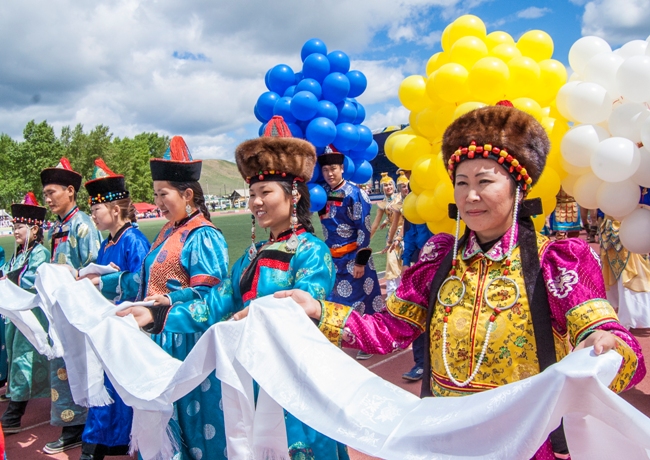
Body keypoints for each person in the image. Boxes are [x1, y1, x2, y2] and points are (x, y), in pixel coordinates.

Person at [279, 104, 646, 459]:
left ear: (518, 187)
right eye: (462, 182)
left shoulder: (556, 260)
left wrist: (606, 342)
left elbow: (612, 340)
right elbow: (388, 330)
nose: (470, 195)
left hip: (524, 445)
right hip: (444, 440)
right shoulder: (439, 259)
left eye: (485, 181)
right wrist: (315, 310)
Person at [227, 116, 348, 459]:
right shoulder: (252, 254)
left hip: (298, 380)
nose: (255, 202)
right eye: (252, 194)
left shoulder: (310, 251)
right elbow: (220, 299)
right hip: (257, 374)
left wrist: (259, 313)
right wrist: (160, 309)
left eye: (265, 192)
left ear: (293, 194)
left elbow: (305, 304)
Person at [105, 136, 230, 460]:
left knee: (195, 429)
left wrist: (168, 305)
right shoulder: (167, 231)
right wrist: (104, 282)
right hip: (158, 338)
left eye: (163, 194)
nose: (157, 201)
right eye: (156, 194)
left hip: (186, 345)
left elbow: (211, 294)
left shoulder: (202, 235)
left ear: (187, 194)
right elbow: (145, 282)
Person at [78, 159, 151, 460]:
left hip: (126, 329)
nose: (93, 215)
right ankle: (106, 442)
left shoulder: (134, 241)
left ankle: (104, 445)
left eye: (96, 209)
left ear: (114, 210)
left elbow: (144, 286)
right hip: (106, 328)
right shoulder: (107, 244)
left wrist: (103, 283)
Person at [41, 157, 103, 454]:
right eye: (44, 194)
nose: (48, 198)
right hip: (61, 312)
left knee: (80, 367)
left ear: (70, 190)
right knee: (62, 368)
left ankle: (79, 426)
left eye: (52, 192)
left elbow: (94, 269)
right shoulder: (58, 228)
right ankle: (72, 424)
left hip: (79, 312)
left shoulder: (83, 226)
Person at [318, 145, 383, 360]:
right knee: (334, 301)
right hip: (332, 260)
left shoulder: (356, 194)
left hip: (353, 258)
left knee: (363, 301)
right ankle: (341, 340)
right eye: (326, 170)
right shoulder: (322, 194)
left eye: (334, 169)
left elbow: (363, 229)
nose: (330, 174)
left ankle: (369, 341)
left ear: (343, 169)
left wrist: (360, 262)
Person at [0, 193, 51, 434]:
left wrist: (6, 279)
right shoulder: (19, 253)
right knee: (15, 357)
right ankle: (15, 399)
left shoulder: (39, 253)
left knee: (24, 359)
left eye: (19, 227)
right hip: (16, 316)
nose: (15, 231)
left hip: (31, 315)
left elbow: (32, 280)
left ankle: (14, 414)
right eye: (14, 227)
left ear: (34, 228)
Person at [392, 171, 433, 382]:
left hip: (442, 260)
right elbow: (409, 233)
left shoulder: (439, 196)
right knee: (417, 315)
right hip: (418, 261)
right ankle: (421, 363)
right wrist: (407, 260)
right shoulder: (412, 202)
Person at [600, 187, 650, 329]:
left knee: (636, 269)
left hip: (635, 225)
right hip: (615, 227)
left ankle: (635, 314)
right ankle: (624, 314)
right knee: (623, 273)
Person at [370, 172, 403, 296]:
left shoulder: (401, 197)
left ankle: (403, 292)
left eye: (390, 184)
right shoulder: (382, 204)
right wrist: (368, 238)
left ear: (394, 186)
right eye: (385, 185)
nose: (388, 187)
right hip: (391, 235)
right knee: (392, 262)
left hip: (405, 233)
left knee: (404, 264)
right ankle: (392, 294)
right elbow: (375, 224)